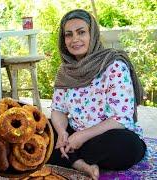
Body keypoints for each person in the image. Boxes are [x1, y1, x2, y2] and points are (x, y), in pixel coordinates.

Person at [47, 9, 146, 180]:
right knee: (41, 132)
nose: (75, 39)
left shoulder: (113, 65)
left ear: (93, 34)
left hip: (108, 135)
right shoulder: (65, 71)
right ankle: (79, 163)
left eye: (81, 32)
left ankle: (68, 156)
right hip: (74, 132)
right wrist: (62, 133)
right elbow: (58, 109)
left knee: (126, 147)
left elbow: (121, 117)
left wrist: (81, 136)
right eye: (68, 35)